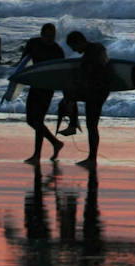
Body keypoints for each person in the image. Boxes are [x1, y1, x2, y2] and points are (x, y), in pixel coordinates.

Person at [19, 23, 67, 164]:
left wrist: (67, 96)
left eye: (52, 36)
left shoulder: (57, 50)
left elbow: (62, 73)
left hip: (47, 88)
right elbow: (23, 62)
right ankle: (55, 143)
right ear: (42, 34)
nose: (50, 39)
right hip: (35, 85)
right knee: (30, 120)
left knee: (38, 121)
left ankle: (37, 155)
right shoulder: (33, 43)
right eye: (47, 36)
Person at [66, 30, 113, 168]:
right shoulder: (97, 48)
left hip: (96, 91)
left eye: (74, 47)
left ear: (79, 42)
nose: (74, 50)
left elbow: (95, 71)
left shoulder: (92, 53)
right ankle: (73, 125)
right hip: (98, 90)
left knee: (92, 125)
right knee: (68, 94)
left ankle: (92, 158)